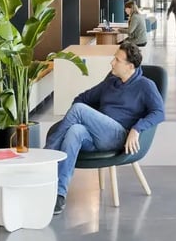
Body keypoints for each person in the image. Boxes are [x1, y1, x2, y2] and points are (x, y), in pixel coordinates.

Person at [43, 41, 165, 215]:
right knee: (74, 131)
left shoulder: (145, 86)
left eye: (117, 60)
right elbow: (82, 98)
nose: (112, 62)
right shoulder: (110, 82)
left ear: (130, 66)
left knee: (79, 110)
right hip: (98, 135)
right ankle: (59, 193)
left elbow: (159, 113)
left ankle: (47, 155)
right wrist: (90, 119)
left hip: (119, 136)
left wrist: (137, 129)